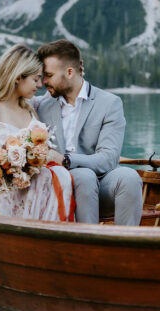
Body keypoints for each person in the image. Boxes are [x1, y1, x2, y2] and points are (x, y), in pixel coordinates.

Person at [34, 40, 142, 226]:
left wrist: (65, 159)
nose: (43, 82)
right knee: (84, 176)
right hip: (57, 184)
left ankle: (126, 248)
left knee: (129, 177)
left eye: (49, 76)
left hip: (101, 184)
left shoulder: (109, 103)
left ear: (70, 72)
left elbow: (108, 159)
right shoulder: (41, 106)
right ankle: (88, 248)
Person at [0, 44, 73, 221]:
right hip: (4, 200)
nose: (40, 85)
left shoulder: (30, 107)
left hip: (38, 194)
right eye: (35, 79)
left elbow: (59, 93)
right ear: (18, 78)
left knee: (62, 176)